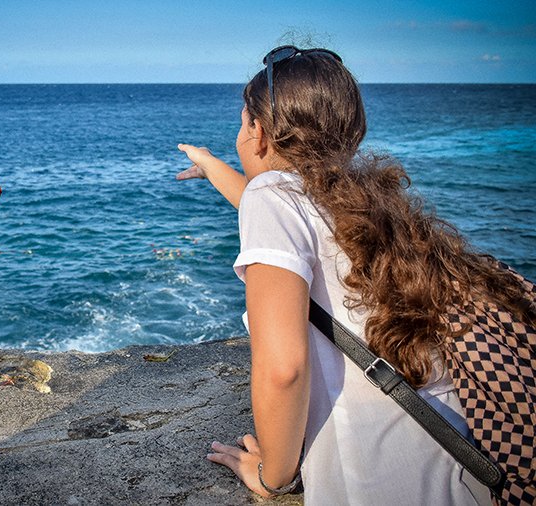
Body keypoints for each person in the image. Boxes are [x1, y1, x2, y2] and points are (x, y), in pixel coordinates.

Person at [175, 46, 528, 504]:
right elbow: (290, 222)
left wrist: (273, 477)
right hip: (457, 464)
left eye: (244, 123)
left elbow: (283, 369)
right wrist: (213, 167)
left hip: (378, 483)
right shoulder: (369, 204)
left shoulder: (272, 197)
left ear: (258, 133)